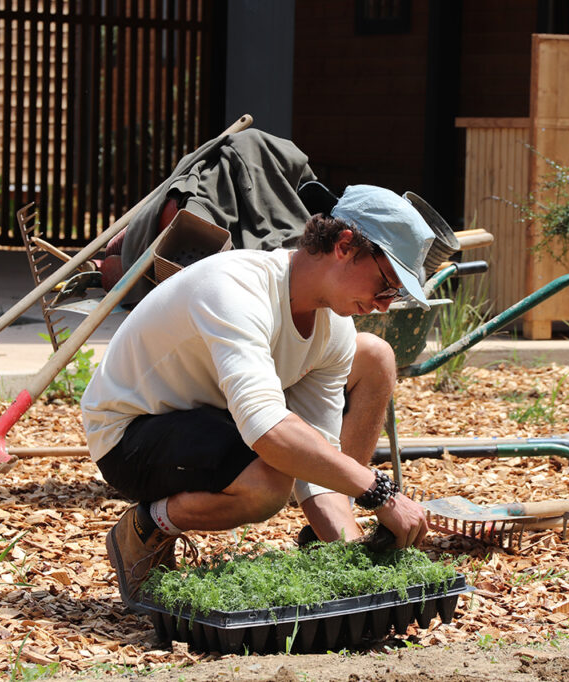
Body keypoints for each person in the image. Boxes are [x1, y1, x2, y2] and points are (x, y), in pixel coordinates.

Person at [81, 185, 435, 609]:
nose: (382, 306)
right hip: (130, 434)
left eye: (393, 295)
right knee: (267, 484)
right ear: (345, 246)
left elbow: (316, 461)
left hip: (214, 420)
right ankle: (145, 527)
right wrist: (381, 493)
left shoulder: (333, 330)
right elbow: (270, 435)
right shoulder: (235, 288)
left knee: (368, 362)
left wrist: (353, 559)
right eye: (385, 285)